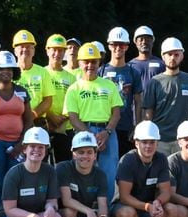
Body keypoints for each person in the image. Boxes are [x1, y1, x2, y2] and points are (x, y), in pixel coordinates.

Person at [109, 121, 177, 217]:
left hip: (149, 206)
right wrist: (148, 206)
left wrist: (157, 202)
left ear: (157, 143)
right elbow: (124, 196)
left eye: (152, 142)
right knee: (128, 213)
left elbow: (166, 191)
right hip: (124, 207)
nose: (148, 146)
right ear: (136, 143)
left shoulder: (161, 159)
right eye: (144, 142)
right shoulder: (128, 160)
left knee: (171, 210)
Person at [65, 42, 123, 202]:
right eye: (86, 61)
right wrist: (92, 137)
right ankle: (81, 208)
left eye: (94, 61)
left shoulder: (109, 85)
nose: (90, 65)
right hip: (84, 132)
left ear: (99, 63)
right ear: (79, 62)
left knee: (109, 173)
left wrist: (106, 133)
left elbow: (116, 113)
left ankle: (107, 210)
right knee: (81, 171)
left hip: (108, 132)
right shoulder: (74, 88)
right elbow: (73, 117)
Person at [0, 51, 33, 216]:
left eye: (10, 69)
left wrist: (21, 144)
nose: (6, 72)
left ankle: (14, 216)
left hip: (17, 143)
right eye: (2, 68)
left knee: (16, 181)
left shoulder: (22, 92)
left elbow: (29, 120)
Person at [54, 132, 114, 217]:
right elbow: (66, 200)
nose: (85, 156)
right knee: (70, 212)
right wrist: (89, 211)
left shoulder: (100, 174)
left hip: (83, 216)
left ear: (95, 154)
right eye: (80, 152)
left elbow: (103, 204)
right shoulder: (63, 168)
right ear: (73, 153)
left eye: (89, 152)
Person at [142, 37, 188, 155]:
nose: (172, 57)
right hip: (160, 139)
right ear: (163, 56)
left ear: (182, 56)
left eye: (176, 54)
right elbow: (148, 112)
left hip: (183, 139)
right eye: (169, 54)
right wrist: (149, 136)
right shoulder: (155, 82)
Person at [100, 27, 143, 158]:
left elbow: (138, 101)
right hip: (104, 127)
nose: (118, 48)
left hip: (125, 127)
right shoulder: (101, 71)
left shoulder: (133, 72)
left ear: (127, 47)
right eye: (114, 44)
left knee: (124, 166)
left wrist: (137, 127)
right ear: (109, 46)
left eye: (122, 45)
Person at [12, 29, 55, 132]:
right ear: (15, 51)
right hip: (13, 119)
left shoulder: (43, 72)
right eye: (21, 46)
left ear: (34, 51)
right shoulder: (9, 71)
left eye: (28, 47)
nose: (25, 49)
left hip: (37, 121)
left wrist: (32, 114)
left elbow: (48, 100)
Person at [44, 34, 76, 163]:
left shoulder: (71, 77)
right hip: (45, 126)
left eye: (61, 50)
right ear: (47, 50)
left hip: (65, 128)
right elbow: (38, 99)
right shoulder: (41, 72)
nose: (57, 53)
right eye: (54, 49)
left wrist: (61, 120)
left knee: (64, 167)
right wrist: (51, 117)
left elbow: (72, 102)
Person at [128, 25, 164, 92]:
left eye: (147, 39)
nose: (144, 42)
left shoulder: (161, 64)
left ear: (152, 42)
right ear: (136, 42)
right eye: (141, 40)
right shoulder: (129, 66)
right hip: (136, 102)